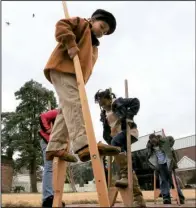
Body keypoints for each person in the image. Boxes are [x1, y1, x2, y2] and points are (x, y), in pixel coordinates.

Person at [43, 9, 121, 163]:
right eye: (102, 26)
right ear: (93, 20)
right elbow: (61, 25)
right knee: (75, 104)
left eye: (105, 32)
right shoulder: (82, 24)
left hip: (74, 77)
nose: (102, 33)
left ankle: (54, 147)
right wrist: (70, 44)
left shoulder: (94, 46)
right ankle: (83, 144)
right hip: (62, 68)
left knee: (66, 110)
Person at [94, 88, 146, 208]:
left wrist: (127, 117)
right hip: (117, 140)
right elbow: (106, 132)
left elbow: (135, 102)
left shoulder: (118, 102)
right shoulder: (104, 114)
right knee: (128, 167)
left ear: (108, 98)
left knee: (115, 141)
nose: (102, 106)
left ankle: (124, 175)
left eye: (103, 102)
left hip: (128, 132)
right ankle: (139, 201)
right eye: (100, 104)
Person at [146, 134, 185, 204]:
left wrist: (166, 140)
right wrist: (154, 167)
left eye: (155, 142)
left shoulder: (163, 142)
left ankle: (180, 198)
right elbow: (149, 157)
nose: (154, 144)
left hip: (168, 163)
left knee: (173, 182)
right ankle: (166, 198)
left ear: (157, 139)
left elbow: (172, 139)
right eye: (152, 143)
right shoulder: (150, 146)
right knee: (163, 182)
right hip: (160, 165)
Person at [39, 109, 65, 208]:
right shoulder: (60, 111)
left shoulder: (69, 116)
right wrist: (48, 130)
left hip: (57, 143)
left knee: (55, 169)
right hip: (47, 141)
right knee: (49, 167)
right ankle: (47, 198)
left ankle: (52, 197)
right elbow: (42, 116)